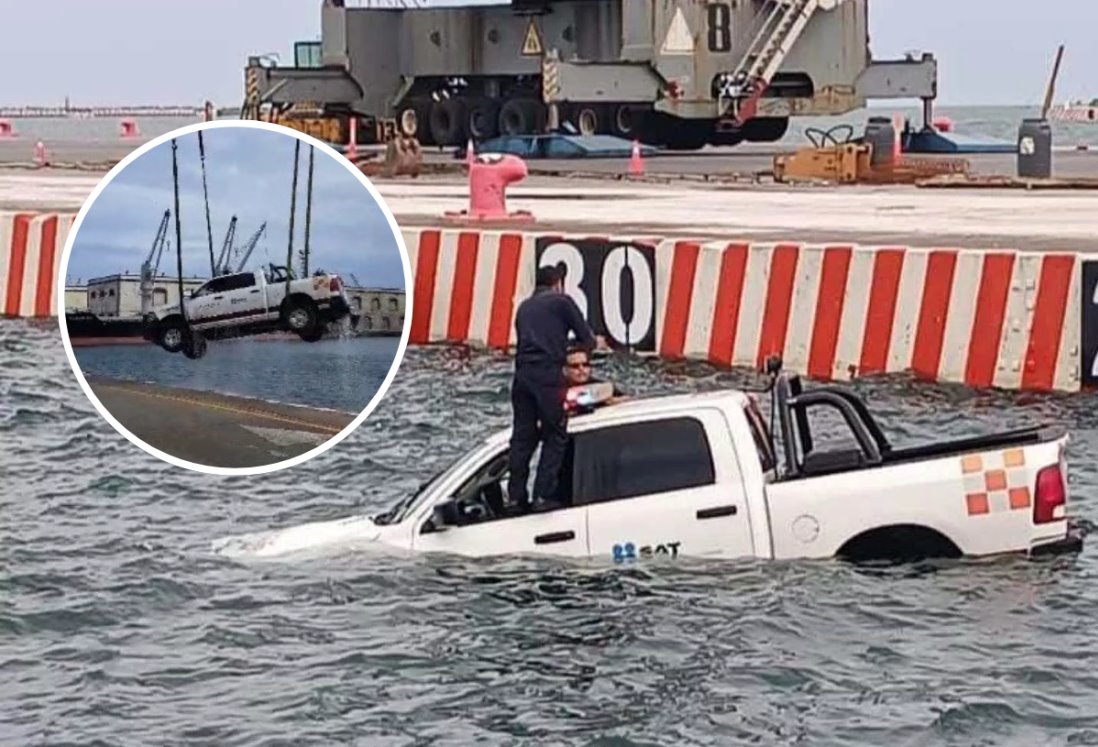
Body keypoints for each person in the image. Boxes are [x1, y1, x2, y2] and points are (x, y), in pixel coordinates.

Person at [508, 265, 603, 513]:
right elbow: (587, 339)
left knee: (522, 438)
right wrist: (577, 348)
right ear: (558, 283)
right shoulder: (562, 301)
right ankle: (542, 495)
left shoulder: (524, 308)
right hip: (548, 377)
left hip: (521, 377)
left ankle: (516, 498)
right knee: (556, 434)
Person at [562, 346, 627, 414]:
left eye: (585, 365)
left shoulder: (601, 385)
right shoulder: (558, 390)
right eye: (575, 366)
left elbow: (630, 397)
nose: (581, 369)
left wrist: (615, 400)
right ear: (565, 370)